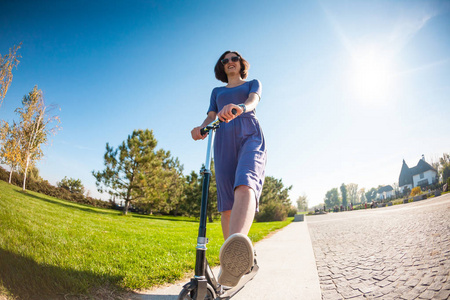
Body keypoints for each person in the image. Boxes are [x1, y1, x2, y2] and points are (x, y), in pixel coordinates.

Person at [191, 50, 267, 287]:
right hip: (222, 138)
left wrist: (239, 108)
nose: (230, 63)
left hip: (248, 132)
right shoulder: (217, 92)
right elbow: (211, 116)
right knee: (226, 205)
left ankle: (236, 256)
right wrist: (201, 128)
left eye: (234, 59)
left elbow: (253, 101)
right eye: (225, 61)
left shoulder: (253, 83)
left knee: (245, 182)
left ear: (241, 63)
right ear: (222, 67)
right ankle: (235, 263)